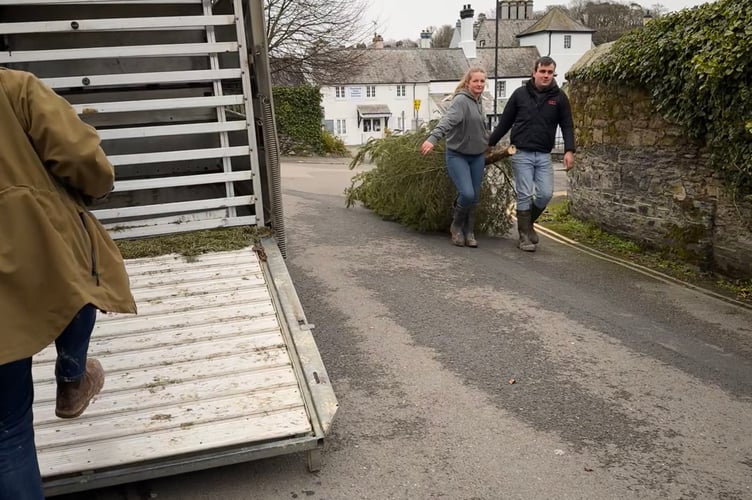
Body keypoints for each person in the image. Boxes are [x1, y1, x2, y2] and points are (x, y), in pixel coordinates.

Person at [0, 68, 136, 499]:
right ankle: (72, 376)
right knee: (81, 270)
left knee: (5, 432)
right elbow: (82, 159)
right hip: (24, 260)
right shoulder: (14, 88)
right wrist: (95, 187)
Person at [488, 56, 575, 252]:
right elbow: (505, 123)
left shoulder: (559, 97)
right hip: (521, 153)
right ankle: (524, 236)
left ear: (553, 74)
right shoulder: (519, 94)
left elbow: (567, 125)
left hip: (544, 155)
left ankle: (527, 224)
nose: (546, 75)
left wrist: (569, 150)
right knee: (525, 194)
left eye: (549, 72)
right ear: (534, 72)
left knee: (545, 195)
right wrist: (489, 144)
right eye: (542, 71)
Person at [421, 66, 489, 248]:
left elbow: (480, 127)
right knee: (466, 193)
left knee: (474, 197)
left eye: (482, 81)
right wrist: (433, 138)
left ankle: (469, 231)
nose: (479, 84)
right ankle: (456, 226)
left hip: (477, 156)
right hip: (457, 155)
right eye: (476, 81)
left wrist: (488, 143)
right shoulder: (461, 101)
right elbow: (447, 121)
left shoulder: (479, 101)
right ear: (468, 83)